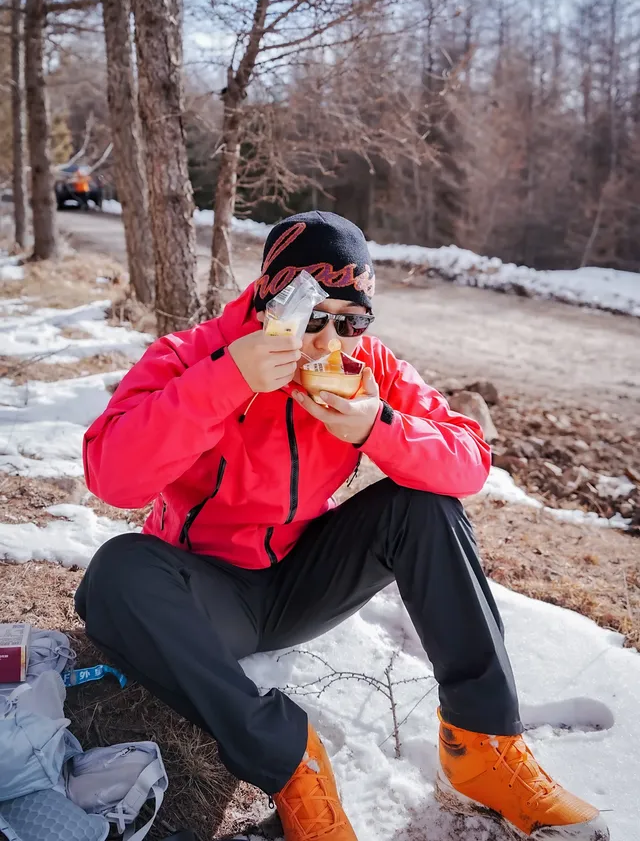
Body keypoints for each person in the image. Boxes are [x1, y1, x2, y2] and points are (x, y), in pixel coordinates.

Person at [75, 212, 608, 841]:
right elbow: (111, 475)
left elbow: (469, 461)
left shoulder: (369, 368)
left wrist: (375, 426)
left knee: (426, 506)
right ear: (272, 301)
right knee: (116, 571)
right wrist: (226, 379)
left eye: (350, 322)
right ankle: (293, 763)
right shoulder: (195, 354)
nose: (329, 341)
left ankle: (483, 746)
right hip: (203, 594)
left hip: (302, 583)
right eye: (312, 318)